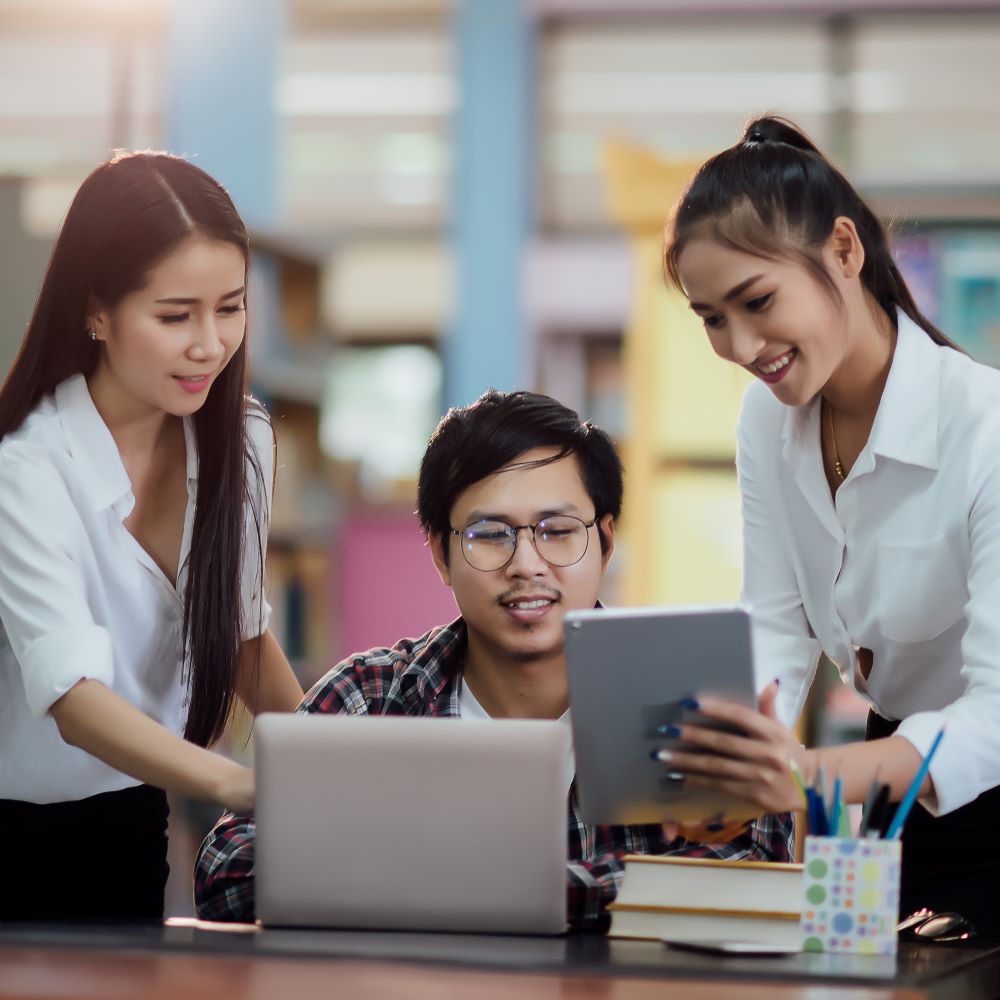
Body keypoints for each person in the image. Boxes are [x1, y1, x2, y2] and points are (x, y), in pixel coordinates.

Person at [194, 389, 794, 929]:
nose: (526, 564)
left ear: (605, 540)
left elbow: (748, 867)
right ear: (438, 552)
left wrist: (437, 884)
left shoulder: (688, 695)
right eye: (490, 534)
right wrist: (592, 888)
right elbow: (227, 870)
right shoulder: (372, 695)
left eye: (557, 531)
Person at [659, 115, 1000, 935]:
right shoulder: (765, 422)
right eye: (711, 318)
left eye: (757, 301)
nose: (741, 345)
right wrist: (732, 769)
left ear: (844, 252)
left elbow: (993, 718)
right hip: (895, 779)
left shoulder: (985, 426)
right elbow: (775, 626)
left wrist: (806, 774)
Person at [0, 152, 303, 922]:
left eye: (230, 307)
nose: (210, 344)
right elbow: (73, 699)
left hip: (130, 821)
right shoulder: (26, 469)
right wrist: (241, 781)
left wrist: (329, 758)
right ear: (96, 311)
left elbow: (239, 639)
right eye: (176, 316)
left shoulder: (243, 442)